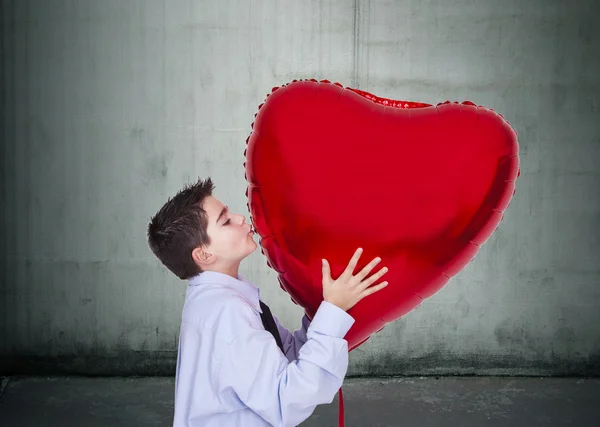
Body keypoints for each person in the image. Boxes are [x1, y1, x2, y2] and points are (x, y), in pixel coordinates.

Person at [147, 177, 389, 427]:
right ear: (204, 254)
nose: (241, 218)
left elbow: (287, 354)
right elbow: (287, 400)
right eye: (226, 220)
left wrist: (324, 310)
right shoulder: (226, 313)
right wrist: (333, 312)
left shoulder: (223, 298)